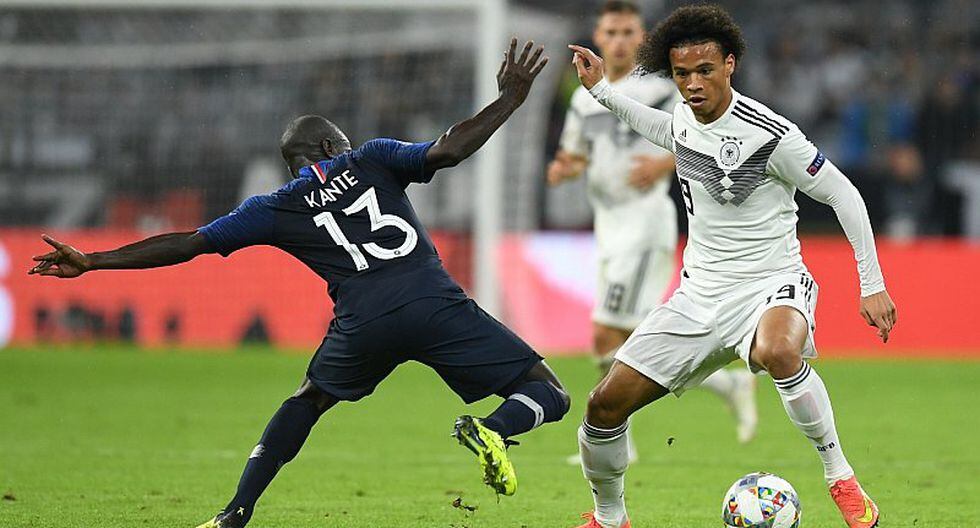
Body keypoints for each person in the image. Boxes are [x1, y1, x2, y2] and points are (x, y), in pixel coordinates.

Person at [29, 39, 568, 528]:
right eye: (342, 141)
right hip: (432, 302)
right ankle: (495, 428)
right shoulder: (372, 157)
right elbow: (447, 150)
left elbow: (188, 243)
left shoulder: (273, 207)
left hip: (364, 322)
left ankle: (234, 513)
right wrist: (509, 100)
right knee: (548, 390)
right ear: (331, 146)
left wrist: (93, 260)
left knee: (308, 400)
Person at [566, 5, 895, 528]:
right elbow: (660, 127)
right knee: (603, 407)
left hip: (771, 283)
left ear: (729, 65)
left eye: (704, 70)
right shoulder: (683, 118)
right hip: (697, 296)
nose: (693, 84)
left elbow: (844, 194)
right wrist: (602, 90)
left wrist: (871, 284)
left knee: (779, 351)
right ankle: (610, 518)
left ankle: (841, 477)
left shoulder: (772, 134)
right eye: (681, 74)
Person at [547, 0, 757, 462]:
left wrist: (663, 164)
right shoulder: (584, 97)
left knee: (607, 335)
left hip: (644, 223)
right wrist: (565, 167)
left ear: (641, 38)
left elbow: (702, 137)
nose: (619, 41)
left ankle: (617, 440)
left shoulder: (663, 89)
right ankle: (727, 385)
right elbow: (577, 154)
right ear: (598, 38)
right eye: (611, 33)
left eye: (627, 32)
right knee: (629, 338)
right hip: (607, 226)